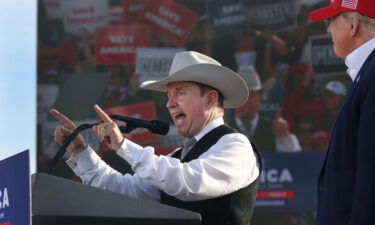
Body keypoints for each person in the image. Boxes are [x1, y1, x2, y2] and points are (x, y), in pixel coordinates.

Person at [51, 51, 262, 225]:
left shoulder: (236, 145)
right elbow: (125, 192)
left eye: (179, 92)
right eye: (168, 96)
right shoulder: (177, 157)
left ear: (210, 99)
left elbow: (191, 183)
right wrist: (81, 151)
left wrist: (124, 146)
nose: (169, 104)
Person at [309, 1, 375, 224]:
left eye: (331, 21)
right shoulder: (366, 74)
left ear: (353, 26)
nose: (328, 29)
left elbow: (370, 169)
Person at [228, 66, 301, 152]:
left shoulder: (273, 128)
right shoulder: (222, 130)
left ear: (260, 98)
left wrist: (284, 137)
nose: (245, 101)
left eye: (250, 95)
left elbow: (294, 159)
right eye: (240, 95)